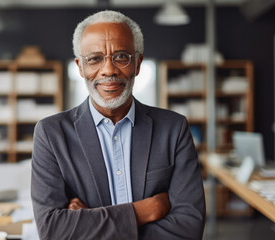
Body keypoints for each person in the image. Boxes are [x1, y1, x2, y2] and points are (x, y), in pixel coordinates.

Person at [31, 10, 205, 240]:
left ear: (138, 64)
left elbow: (189, 228)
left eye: (121, 56)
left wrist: (91, 224)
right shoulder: (51, 134)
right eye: (94, 58)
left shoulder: (173, 129)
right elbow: (52, 230)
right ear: (80, 67)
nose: (109, 70)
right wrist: (145, 211)